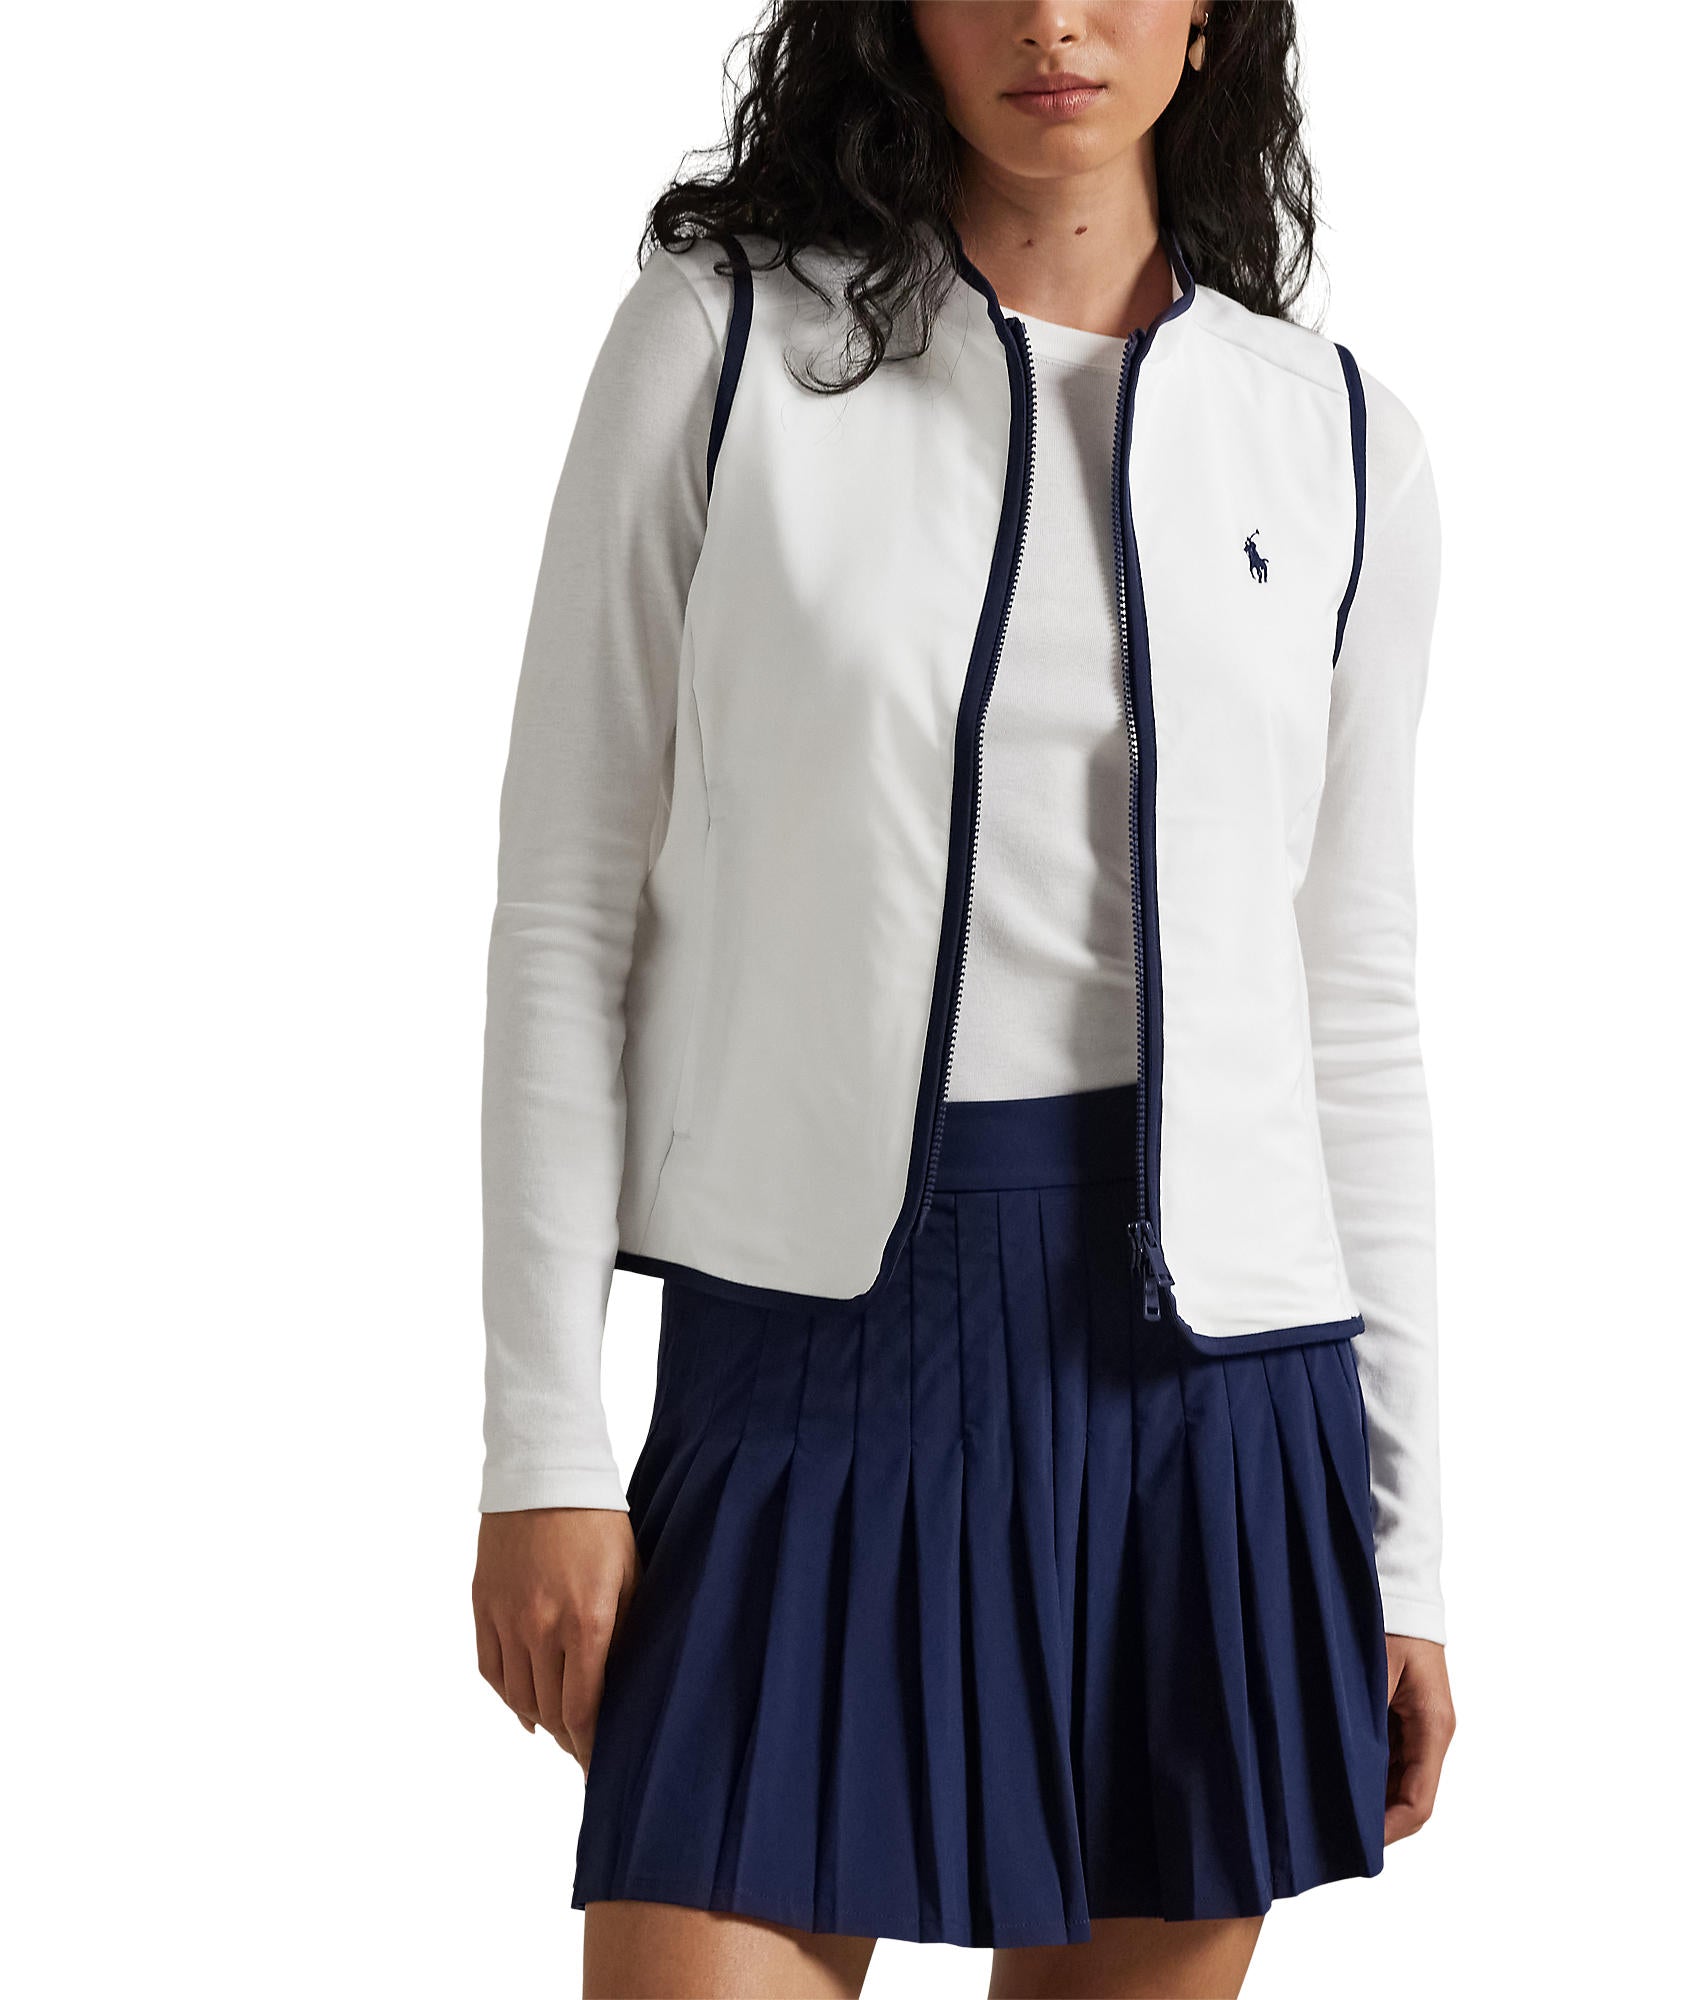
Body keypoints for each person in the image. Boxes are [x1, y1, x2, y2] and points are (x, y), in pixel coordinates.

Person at [470, 4, 1455, 1994]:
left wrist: (1404, 1538)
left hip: (1212, 1396)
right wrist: (542, 1442)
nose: (1052, 18)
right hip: (814, 1352)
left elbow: (1349, 1001)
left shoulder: (1336, 437)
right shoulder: (723, 349)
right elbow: (566, 908)